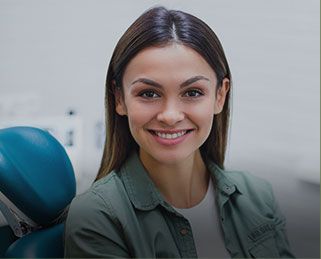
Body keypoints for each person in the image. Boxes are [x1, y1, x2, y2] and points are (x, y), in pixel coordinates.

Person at [64, 6, 295, 258]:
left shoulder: (258, 195)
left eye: (193, 92)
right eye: (148, 93)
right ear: (119, 98)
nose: (170, 116)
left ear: (220, 95)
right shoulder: (97, 217)